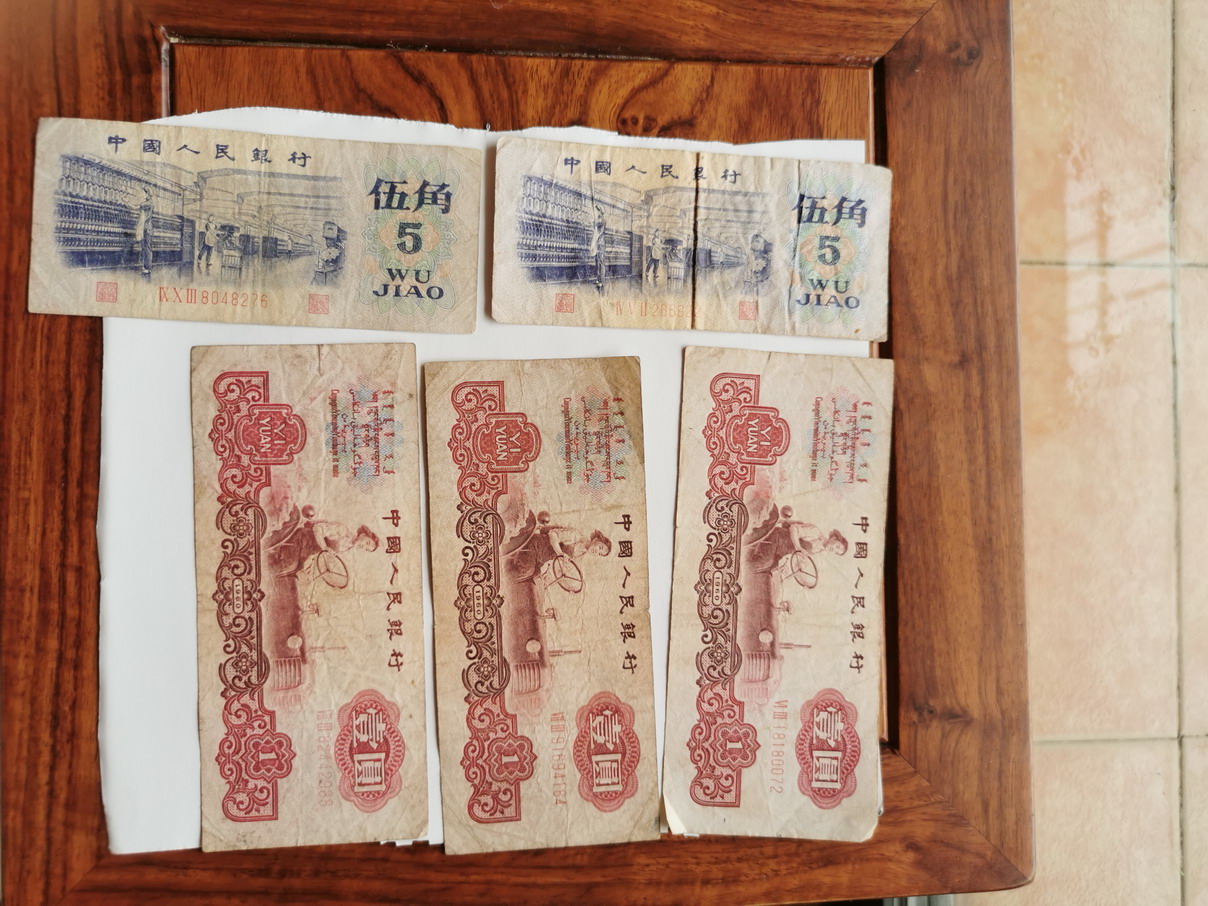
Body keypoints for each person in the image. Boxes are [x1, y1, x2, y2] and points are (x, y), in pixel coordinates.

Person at [134, 187, 153, 277]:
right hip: (146, 228)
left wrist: (125, 201)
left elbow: (135, 207)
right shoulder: (148, 203)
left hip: (147, 228)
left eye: (143, 193)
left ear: (147, 194)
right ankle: (145, 266)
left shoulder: (148, 204)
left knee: (147, 248)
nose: (142, 194)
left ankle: (147, 268)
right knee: (145, 247)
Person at [590, 205, 607, 292]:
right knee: (597, 262)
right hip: (597, 243)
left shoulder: (602, 220)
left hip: (601, 243)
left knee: (601, 262)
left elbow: (597, 226)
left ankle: (602, 281)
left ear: (601, 212)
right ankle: (598, 279)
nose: (597, 212)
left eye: (598, 211)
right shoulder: (598, 220)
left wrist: (594, 221)